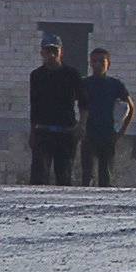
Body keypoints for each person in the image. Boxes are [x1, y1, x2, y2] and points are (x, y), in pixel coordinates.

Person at [27, 36, 88, 185]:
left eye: (54, 51)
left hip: (65, 131)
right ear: (42, 53)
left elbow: (83, 102)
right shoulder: (37, 75)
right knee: (39, 177)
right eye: (48, 51)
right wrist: (32, 131)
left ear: (61, 52)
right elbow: (34, 105)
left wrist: (81, 125)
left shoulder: (72, 74)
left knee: (64, 177)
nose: (51, 55)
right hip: (43, 131)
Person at [79, 46, 135, 187]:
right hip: (89, 133)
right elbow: (79, 106)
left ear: (108, 64)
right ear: (90, 63)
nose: (97, 64)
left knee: (106, 175)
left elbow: (131, 107)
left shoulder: (115, 85)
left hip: (107, 134)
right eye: (94, 61)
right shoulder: (85, 83)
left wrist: (121, 132)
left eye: (101, 61)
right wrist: (80, 126)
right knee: (87, 175)